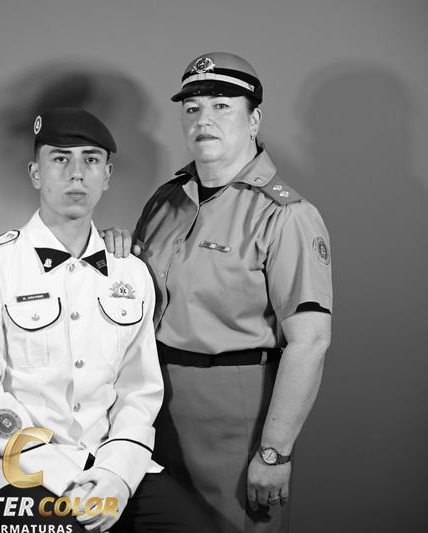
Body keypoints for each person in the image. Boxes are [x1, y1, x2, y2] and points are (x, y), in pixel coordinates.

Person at [0, 108, 218, 532]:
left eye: (90, 160)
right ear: (36, 173)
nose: (76, 173)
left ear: (106, 175)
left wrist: (115, 476)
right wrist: (65, 480)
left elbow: (139, 391)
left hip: (110, 460)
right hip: (19, 469)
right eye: (60, 159)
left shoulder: (130, 272)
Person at [132, 52, 333, 532]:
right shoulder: (165, 201)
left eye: (221, 106)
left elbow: (310, 342)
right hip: (150, 405)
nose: (204, 120)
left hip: (234, 414)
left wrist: (274, 451)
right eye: (193, 108)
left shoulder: (285, 215)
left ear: (254, 120)